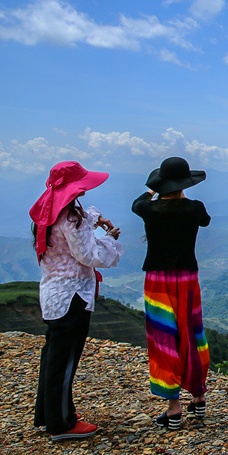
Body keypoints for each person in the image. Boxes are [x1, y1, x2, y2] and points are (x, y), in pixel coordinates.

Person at [29, 161, 123, 441]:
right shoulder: (72, 219)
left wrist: (96, 220)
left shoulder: (48, 212)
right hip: (73, 296)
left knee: (54, 357)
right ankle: (62, 424)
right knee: (65, 359)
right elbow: (90, 256)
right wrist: (109, 240)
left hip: (53, 294)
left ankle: (49, 414)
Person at [132, 156, 211, 431]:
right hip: (188, 278)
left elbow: (137, 204)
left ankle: (174, 408)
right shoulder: (194, 208)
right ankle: (198, 396)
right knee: (191, 333)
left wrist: (153, 189)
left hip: (158, 280)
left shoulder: (150, 209)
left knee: (163, 337)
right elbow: (206, 221)